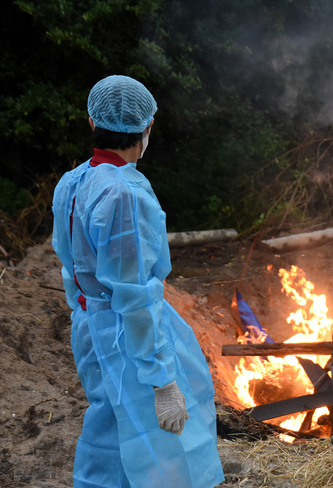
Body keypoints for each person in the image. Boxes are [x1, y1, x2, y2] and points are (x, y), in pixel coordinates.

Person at [52, 75, 225, 488]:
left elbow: (67, 263)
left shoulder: (73, 182)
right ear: (147, 129)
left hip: (91, 325)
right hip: (126, 339)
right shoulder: (123, 194)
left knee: (110, 429)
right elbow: (135, 296)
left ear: (93, 123)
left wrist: (86, 310)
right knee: (159, 448)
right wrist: (162, 379)